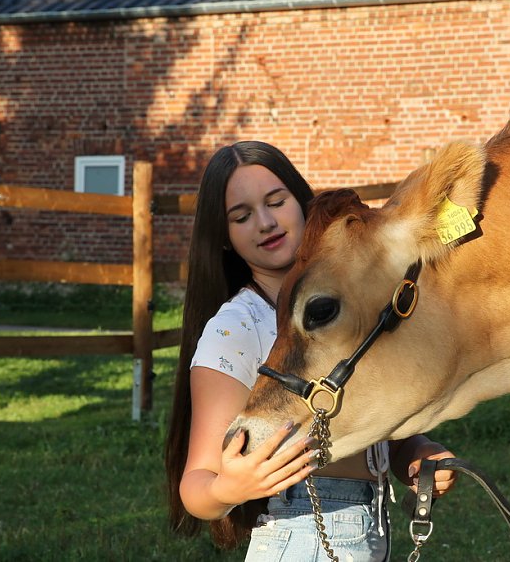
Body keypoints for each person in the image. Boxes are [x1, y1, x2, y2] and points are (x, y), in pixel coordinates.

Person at [165, 140, 456, 560]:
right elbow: (196, 483)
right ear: (225, 238)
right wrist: (230, 489)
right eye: (241, 216)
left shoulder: (342, 304)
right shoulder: (236, 328)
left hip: (370, 528)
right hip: (300, 533)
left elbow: (363, 419)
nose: (265, 223)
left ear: (302, 202)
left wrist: (414, 452)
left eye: (276, 201)